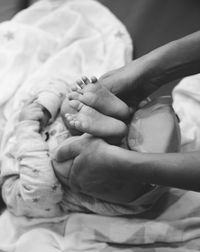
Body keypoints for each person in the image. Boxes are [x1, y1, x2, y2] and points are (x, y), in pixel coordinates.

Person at [0, 72, 180, 217]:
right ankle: (111, 134)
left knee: (70, 104)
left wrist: (44, 105)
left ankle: (117, 118)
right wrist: (26, 129)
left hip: (140, 129)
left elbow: (55, 81)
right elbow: (43, 191)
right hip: (128, 182)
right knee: (61, 163)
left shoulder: (14, 116)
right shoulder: (9, 189)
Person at [52, 30, 200, 204]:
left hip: (142, 155)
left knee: (69, 110)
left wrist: (36, 112)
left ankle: (114, 130)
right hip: (150, 151)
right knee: (67, 166)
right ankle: (115, 131)